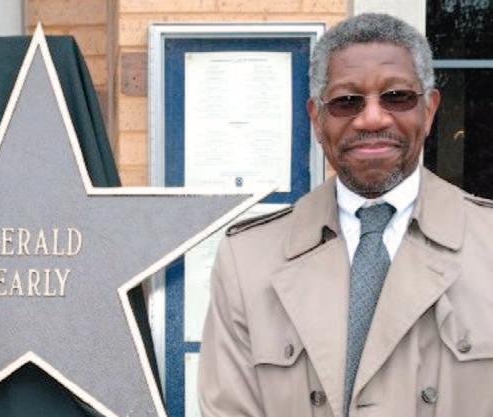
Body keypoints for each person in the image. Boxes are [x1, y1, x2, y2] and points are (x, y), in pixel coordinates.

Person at [198, 13, 493, 417]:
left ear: (429, 110)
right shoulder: (247, 260)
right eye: (347, 101)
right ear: (317, 119)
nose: (372, 118)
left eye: (396, 97)